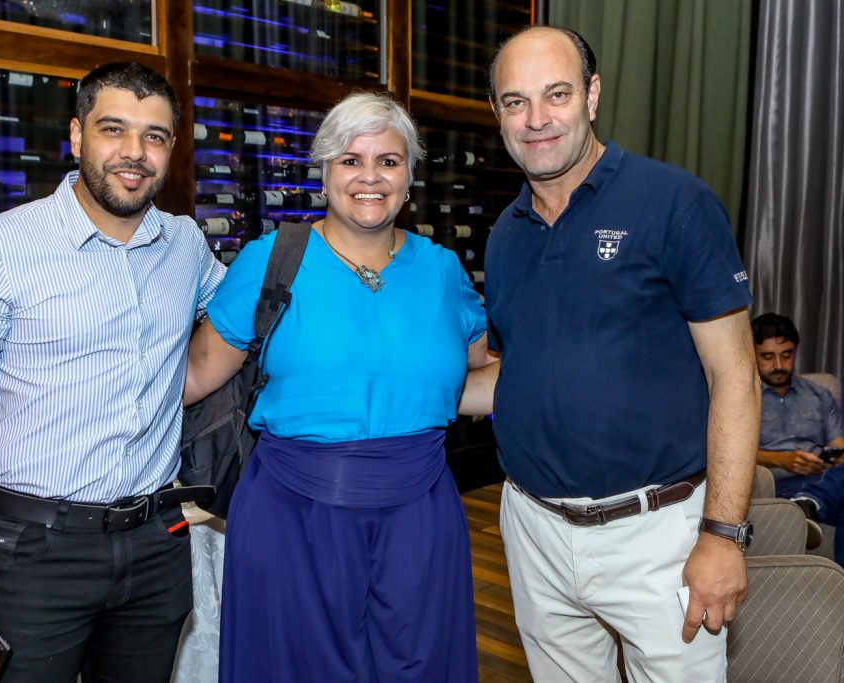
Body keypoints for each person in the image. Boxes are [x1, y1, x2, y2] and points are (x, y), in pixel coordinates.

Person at [0, 62, 224, 681]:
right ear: (78, 137)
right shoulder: (0, 247)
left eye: (155, 136)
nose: (134, 153)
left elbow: (246, 321)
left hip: (156, 541)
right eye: (114, 130)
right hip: (31, 552)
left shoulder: (185, 244)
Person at [471, 26, 761, 682]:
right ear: (497, 114)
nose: (537, 119)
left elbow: (735, 374)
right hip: (534, 528)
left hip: (658, 534)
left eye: (557, 94)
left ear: (593, 94)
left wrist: (723, 533)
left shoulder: (674, 203)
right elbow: (520, 373)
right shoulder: (504, 238)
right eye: (515, 102)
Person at [183, 92, 490, 682]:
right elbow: (195, 375)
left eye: (389, 161)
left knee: (419, 667)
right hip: (291, 513)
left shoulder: (443, 270)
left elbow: (475, 377)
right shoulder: (270, 260)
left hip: (420, 515)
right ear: (324, 173)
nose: (370, 177)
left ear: (409, 177)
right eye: (350, 160)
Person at [752, 312, 844, 496]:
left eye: (787, 355)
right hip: (772, 485)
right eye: (768, 357)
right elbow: (730, 455)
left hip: (823, 481)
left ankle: (815, 502)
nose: (779, 365)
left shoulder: (819, 394)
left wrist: (835, 458)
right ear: (753, 356)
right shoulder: (743, 399)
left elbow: (839, 446)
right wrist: (780, 460)